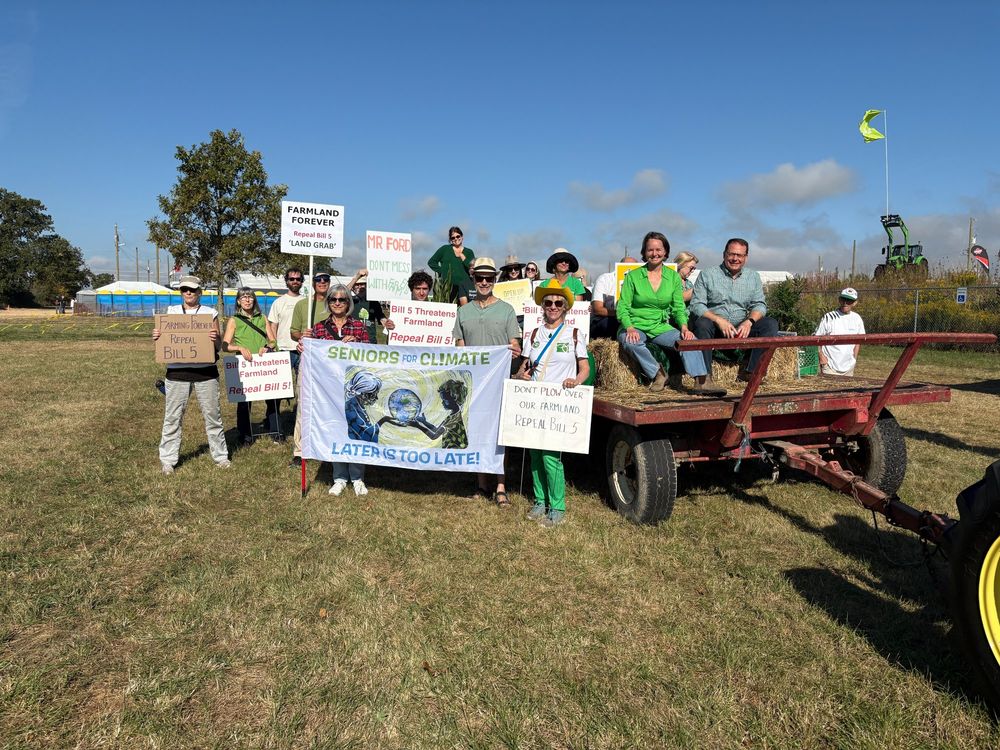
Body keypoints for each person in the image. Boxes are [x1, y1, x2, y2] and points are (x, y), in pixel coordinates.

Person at [516, 279, 590, 527]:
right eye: (548, 302)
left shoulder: (574, 334)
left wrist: (575, 380)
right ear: (542, 305)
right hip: (535, 402)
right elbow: (523, 367)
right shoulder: (535, 333)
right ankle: (539, 501)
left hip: (558, 403)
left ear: (566, 307)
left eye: (558, 302)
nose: (553, 306)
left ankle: (557, 506)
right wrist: (520, 375)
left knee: (550, 456)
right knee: (535, 454)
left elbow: (585, 369)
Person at [617, 232, 722, 396]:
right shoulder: (633, 276)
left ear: (665, 252)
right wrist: (629, 327)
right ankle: (658, 372)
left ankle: (701, 381)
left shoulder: (672, 277)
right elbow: (622, 306)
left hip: (659, 326)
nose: (654, 253)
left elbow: (678, 307)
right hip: (635, 324)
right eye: (650, 250)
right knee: (629, 341)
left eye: (658, 249)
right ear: (644, 253)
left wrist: (684, 328)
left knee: (689, 340)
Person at [453, 257, 522, 506]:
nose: (484, 282)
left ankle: (501, 486)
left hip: (499, 383)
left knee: (499, 435)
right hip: (473, 385)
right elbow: (460, 346)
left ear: (495, 280)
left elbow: (515, 344)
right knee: (478, 433)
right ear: (473, 279)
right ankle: (482, 485)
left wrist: (513, 350)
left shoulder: (506, 310)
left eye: (489, 278)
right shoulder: (463, 311)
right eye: (480, 278)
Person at [152, 275, 230, 473]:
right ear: (180, 292)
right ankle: (168, 460)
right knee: (172, 417)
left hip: (206, 373)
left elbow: (218, 347)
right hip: (177, 372)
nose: (188, 293)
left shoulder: (209, 313)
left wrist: (215, 338)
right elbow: (164, 342)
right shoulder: (171, 312)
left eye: (192, 290)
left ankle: (220, 456)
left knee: (213, 416)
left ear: (200, 292)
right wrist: (158, 337)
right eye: (184, 289)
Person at [309, 285, 374, 495]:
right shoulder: (318, 328)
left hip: (353, 389)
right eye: (333, 299)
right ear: (328, 302)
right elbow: (313, 359)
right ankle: (338, 477)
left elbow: (371, 355)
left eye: (342, 300)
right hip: (329, 390)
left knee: (356, 430)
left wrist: (357, 344)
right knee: (334, 429)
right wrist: (304, 346)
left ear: (349, 303)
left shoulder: (358, 327)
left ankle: (357, 477)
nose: (337, 303)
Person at [689, 238, 779, 383]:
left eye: (740, 255)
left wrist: (749, 321)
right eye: (731, 254)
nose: (735, 258)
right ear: (724, 254)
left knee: (770, 324)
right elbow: (696, 305)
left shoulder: (753, 277)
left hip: (741, 328)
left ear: (746, 258)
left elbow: (760, 305)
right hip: (715, 326)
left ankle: (752, 373)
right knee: (702, 323)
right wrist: (719, 320)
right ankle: (704, 378)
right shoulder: (707, 274)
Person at [223, 287, 280, 446]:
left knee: (272, 398)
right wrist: (239, 348)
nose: (247, 300)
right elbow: (225, 345)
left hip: (264, 363)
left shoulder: (262, 318)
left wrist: (268, 347)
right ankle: (245, 435)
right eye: (243, 298)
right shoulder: (234, 320)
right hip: (245, 365)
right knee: (244, 402)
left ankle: (275, 431)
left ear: (254, 300)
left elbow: (273, 340)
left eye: (250, 297)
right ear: (238, 301)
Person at [288, 272, 332, 468]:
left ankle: (328, 445)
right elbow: (293, 332)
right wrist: (301, 336)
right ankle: (300, 450)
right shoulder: (302, 305)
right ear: (313, 283)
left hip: (331, 365)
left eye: (326, 280)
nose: (322, 283)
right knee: (304, 405)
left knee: (331, 405)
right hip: (310, 361)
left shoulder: (337, 302)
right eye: (318, 280)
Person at [815, 287, 865, 376]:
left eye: (849, 300)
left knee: (847, 390)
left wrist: (854, 358)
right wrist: (822, 358)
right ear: (839, 300)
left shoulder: (857, 318)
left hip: (849, 367)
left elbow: (858, 341)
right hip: (829, 367)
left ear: (855, 303)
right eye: (843, 299)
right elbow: (816, 339)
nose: (845, 303)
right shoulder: (829, 317)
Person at [591, 255, 639, 339]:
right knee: (613, 323)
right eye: (626, 266)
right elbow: (597, 309)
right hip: (606, 320)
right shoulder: (605, 279)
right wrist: (622, 315)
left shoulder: (641, 282)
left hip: (632, 320)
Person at [267, 267, 304, 374]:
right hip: (283, 348)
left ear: (302, 281)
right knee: (283, 386)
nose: (295, 281)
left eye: (298, 279)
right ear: (287, 281)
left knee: (302, 387)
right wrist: (274, 345)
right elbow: (273, 326)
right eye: (292, 279)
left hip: (302, 349)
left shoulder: (307, 302)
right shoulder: (278, 302)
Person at [428, 226, 475, 302]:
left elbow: (472, 269)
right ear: (450, 240)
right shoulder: (444, 249)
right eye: (453, 238)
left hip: (465, 287)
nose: (456, 239)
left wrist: (464, 258)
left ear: (462, 237)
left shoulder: (469, 252)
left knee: (464, 311)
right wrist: (443, 272)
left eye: (458, 236)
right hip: (448, 288)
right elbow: (431, 262)